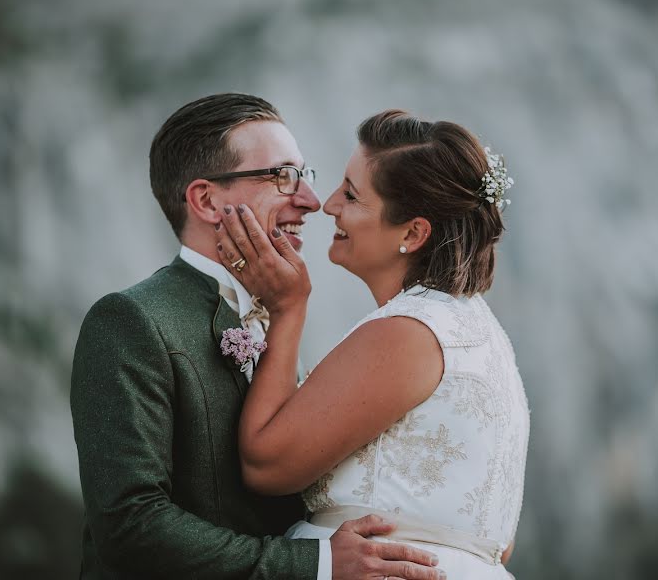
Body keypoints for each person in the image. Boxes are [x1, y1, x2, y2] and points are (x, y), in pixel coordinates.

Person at [70, 94, 444, 579]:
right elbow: (130, 524)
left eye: (304, 177)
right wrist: (315, 563)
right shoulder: (131, 320)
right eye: (282, 176)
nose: (311, 202)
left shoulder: (278, 318)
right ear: (206, 200)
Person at [213, 109, 530, 579]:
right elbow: (496, 545)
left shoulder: (408, 332)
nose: (328, 205)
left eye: (352, 195)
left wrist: (287, 308)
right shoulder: (482, 334)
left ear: (413, 232)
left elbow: (265, 464)